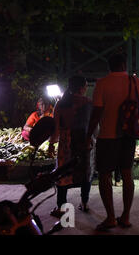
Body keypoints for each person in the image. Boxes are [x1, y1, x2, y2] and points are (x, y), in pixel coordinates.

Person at [86, 53, 139, 231]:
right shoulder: (135, 81)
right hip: (128, 135)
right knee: (127, 174)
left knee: (105, 175)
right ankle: (126, 216)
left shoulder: (102, 83)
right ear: (123, 64)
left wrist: (89, 134)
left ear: (109, 66)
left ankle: (111, 217)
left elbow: (96, 112)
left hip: (107, 136)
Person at [48, 76, 94, 217]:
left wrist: (51, 144)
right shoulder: (88, 103)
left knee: (62, 173)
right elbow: (94, 125)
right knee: (86, 172)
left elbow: (55, 129)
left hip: (66, 142)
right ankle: (85, 203)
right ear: (81, 88)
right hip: (85, 141)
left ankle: (61, 207)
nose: (86, 89)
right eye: (86, 86)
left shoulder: (60, 104)